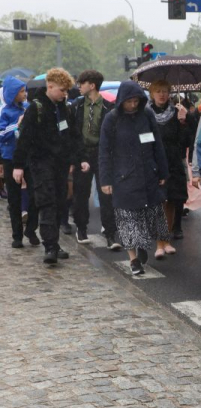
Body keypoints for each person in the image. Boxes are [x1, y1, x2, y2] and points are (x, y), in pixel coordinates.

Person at [13, 68, 89, 265]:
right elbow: (25, 139)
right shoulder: (36, 108)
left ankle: (54, 243)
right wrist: (18, 165)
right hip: (40, 163)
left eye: (67, 91)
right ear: (50, 86)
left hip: (60, 164)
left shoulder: (65, 109)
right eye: (62, 90)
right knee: (47, 203)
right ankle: (50, 247)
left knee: (59, 203)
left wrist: (80, 158)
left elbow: (74, 136)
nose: (65, 94)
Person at [99, 81, 170, 276]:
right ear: (121, 101)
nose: (133, 105)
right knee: (127, 218)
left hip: (148, 173)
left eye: (136, 100)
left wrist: (163, 172)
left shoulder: (147, 114)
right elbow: (104, 151)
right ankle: (133, 259)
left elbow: (158, 145)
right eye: (129, 101)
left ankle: (141, 246)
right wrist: (105, 180)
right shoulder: (111, 120)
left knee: (148, 215)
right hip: (123, 176)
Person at [70, 70, 119, 250]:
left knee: (106, 194)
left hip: (102, 155)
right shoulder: (76, 105)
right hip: (82, 154)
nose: (79, 86)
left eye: (81, 83)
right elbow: (72, 133)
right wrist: (76, 157)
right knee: (81, 193)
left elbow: (113, 134)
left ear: (92, 85)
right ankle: (81, 228)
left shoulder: (108, 107)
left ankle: (110, 233)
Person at [147, 80, 191, 252]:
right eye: (158, 91)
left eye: (165, 91)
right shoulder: (146, 114)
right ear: (152, 93)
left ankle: (166, 239)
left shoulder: (177, 113)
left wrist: (183, 122)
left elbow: (185, 141)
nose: (162, 94)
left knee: (173, 200)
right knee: (159, 202)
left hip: (173, 162)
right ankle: (159, 242)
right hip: (154, 162)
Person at [0, 76, 39, 248]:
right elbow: (1, 134)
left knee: (35, 196)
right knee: (14, 199)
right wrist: (17, 125)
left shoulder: (29, 108)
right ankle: (17, 235)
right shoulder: (6, 112)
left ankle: (31, 228)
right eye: (21, 91)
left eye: (24, 91)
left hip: (29, 158)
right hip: (10, 158)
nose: (24, 94)